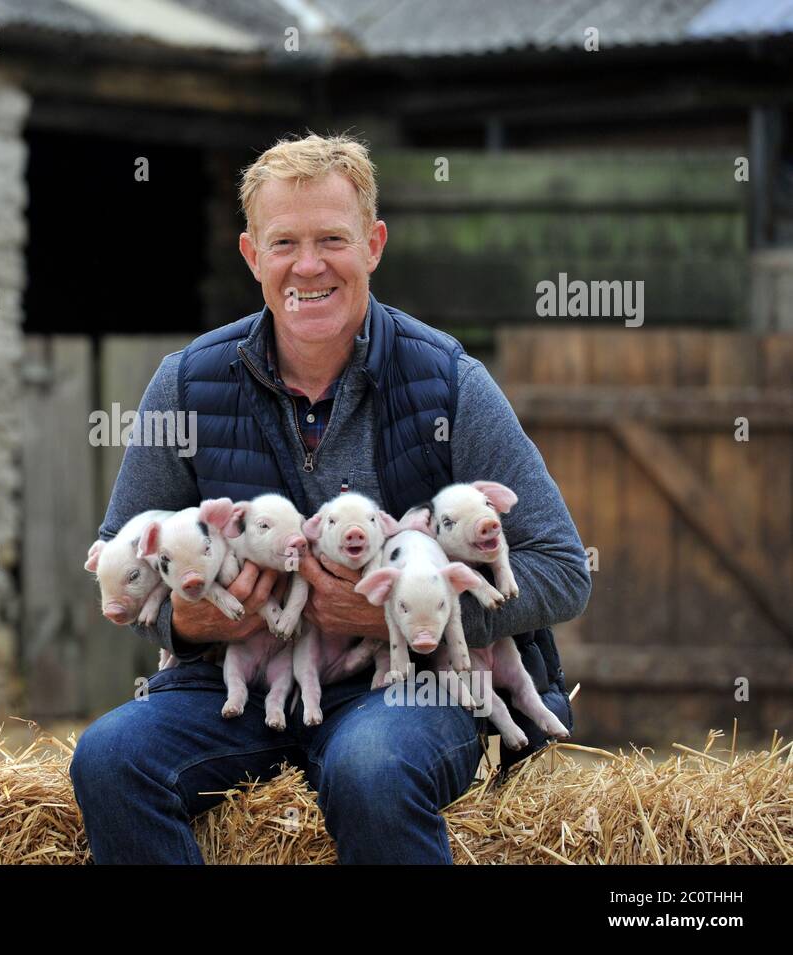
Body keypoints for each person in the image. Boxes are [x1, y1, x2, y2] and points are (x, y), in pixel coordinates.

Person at [69, 133, 590, 864]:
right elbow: (122, 557)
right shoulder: (184, 384)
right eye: (284, 241)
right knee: (108, 757)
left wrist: (406, 609)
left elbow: (564, 566)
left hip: (407, 685)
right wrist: (183, 625)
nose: (307, 265)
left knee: (371, 768)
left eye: (332, 240)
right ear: (252, 256)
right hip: (238, 682)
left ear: (373, 245)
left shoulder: (449, 381)